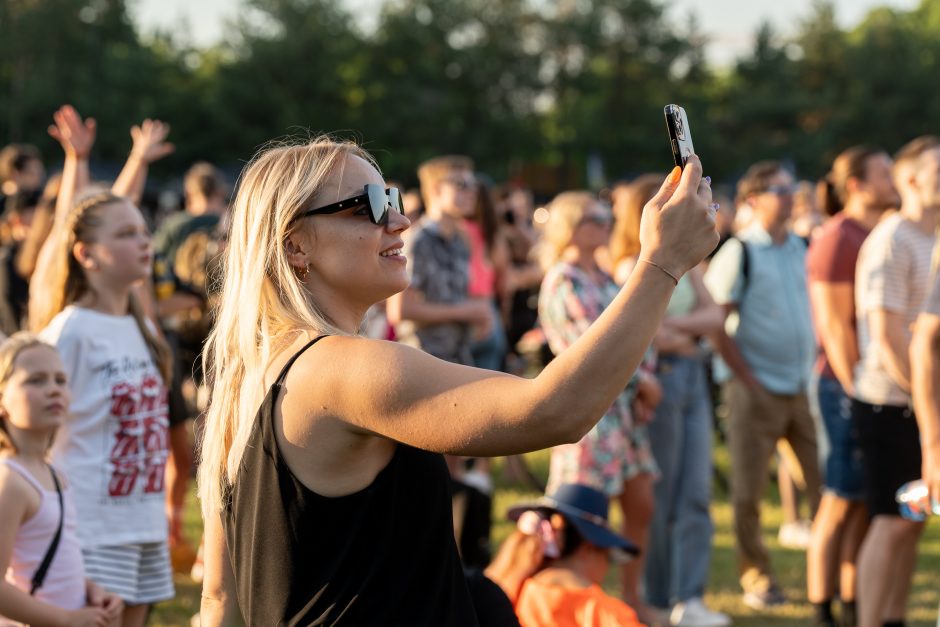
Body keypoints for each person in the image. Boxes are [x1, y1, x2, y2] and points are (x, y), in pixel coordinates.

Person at [195, 138, 717, 625]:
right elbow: (555, 411)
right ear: (294, 247)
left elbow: (221, 596)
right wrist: (661, 263)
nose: (399, 220)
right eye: (369, 205)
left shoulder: (249, 376)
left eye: (393, 197)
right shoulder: (342, 368)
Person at [30, 190, 175, 627]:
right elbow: (35, 432)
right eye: (128, 234)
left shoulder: (141, 325)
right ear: (87, 254)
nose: (144, 243)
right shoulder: (70, 331)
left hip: (144, 523)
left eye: (145, 232)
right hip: (91, 530)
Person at [537, 190, 663, 624]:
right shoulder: (563, 279)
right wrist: (644, 382)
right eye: (593, 218)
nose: (604, 224)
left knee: (640, 502)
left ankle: (631, 598)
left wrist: (644, 380)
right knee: (580, 518)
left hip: (623, 408)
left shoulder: (604, 275)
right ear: (570, 226)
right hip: (591, 410)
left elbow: (638, 331)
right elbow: (592, 346)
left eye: (604, 216)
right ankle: (570, 604)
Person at [609, 175, 729, 626]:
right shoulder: (629, 265)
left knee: (695, 492)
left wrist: (672, 334)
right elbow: (637, 330)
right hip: (654, 383)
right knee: (659, 495)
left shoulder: (688, 260)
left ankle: (690, 597)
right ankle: (658, 596)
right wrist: (679, 334)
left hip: (691, 377)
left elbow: (714, 314)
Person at [704, 160, 821, 609]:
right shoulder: (739, 251)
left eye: (792, 188)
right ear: (754, 200)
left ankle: (827, 575)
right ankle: (757, 579)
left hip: (799, 385)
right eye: (779, 190)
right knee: (749, 494)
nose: (790, 197)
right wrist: (746, 378)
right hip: (754, 390)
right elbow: (717, 322)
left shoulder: (799, 246)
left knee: (825, 486)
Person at [805, 146, 898, 627]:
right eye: (885, 172)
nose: (895, 178)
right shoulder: (838, 238)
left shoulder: (879, 232)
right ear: (857, 184)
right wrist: (859, 393)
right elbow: (837, 329)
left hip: (870, 388)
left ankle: (853, 599)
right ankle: (821, 607)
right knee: (839, 501)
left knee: (864, 503)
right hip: (846, 388)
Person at [852, 136, 940, 627]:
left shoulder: (933, 236)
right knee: (888, 522)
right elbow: (886, 335)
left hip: (919, 403)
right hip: (888, 401)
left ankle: (894, 618)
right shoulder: (892, 238)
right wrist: (926, 395)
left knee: (914, 522)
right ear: (910, 180)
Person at [0, 333, 123, 627]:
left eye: (60, 380)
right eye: (36, 380)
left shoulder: (54, 474)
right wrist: (66, 619)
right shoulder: (10, 482)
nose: (53, 390)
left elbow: (50, 558)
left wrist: (90, 589)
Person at [507, 483, 645, 627]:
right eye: (607, 558)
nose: (606, 569)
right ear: (588, 550)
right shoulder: (604, 613)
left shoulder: (516, 595)